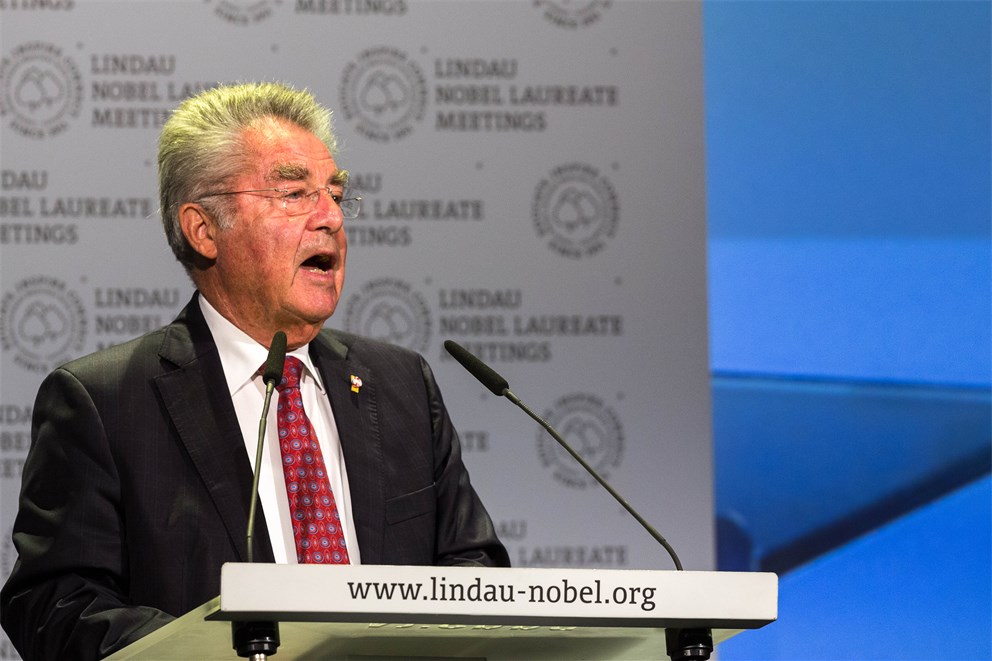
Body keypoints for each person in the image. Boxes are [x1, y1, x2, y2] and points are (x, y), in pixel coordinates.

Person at [0, 82, 509, 661]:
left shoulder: (402, 385)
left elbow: (476, 570)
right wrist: (224, 654)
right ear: (203, 230)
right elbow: (56, 605)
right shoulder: (105, 402)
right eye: (293, 193)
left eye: (335, 194)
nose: (330, 218)